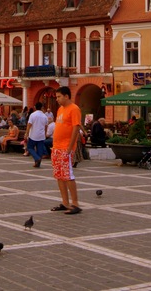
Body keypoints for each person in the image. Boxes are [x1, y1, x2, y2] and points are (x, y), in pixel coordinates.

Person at [49, 86, 83, 215]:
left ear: (66, 96)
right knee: (59, 175)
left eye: (59, 97)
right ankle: (65, 202)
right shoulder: (60, 110)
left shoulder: (74, 109)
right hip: (57, 147)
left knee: (68, 175)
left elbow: (76, 128)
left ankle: (75, 204)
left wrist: (70, 147)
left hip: (65, 147)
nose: (57, 99)